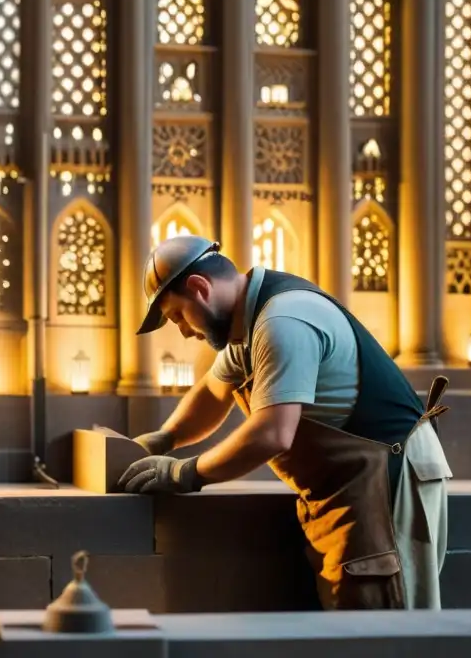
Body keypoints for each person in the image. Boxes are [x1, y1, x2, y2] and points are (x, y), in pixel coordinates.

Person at [118, 235, 453, 610]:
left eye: (177, 315)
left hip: (389, 479)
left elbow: (272, 433)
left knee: (385, 619)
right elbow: (213, 393)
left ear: (200, 288)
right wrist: (163, 440)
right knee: (354, 616)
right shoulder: (245, 328)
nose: (182, 330)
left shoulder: (281, 321)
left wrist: (185, 474)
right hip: (350, 485)